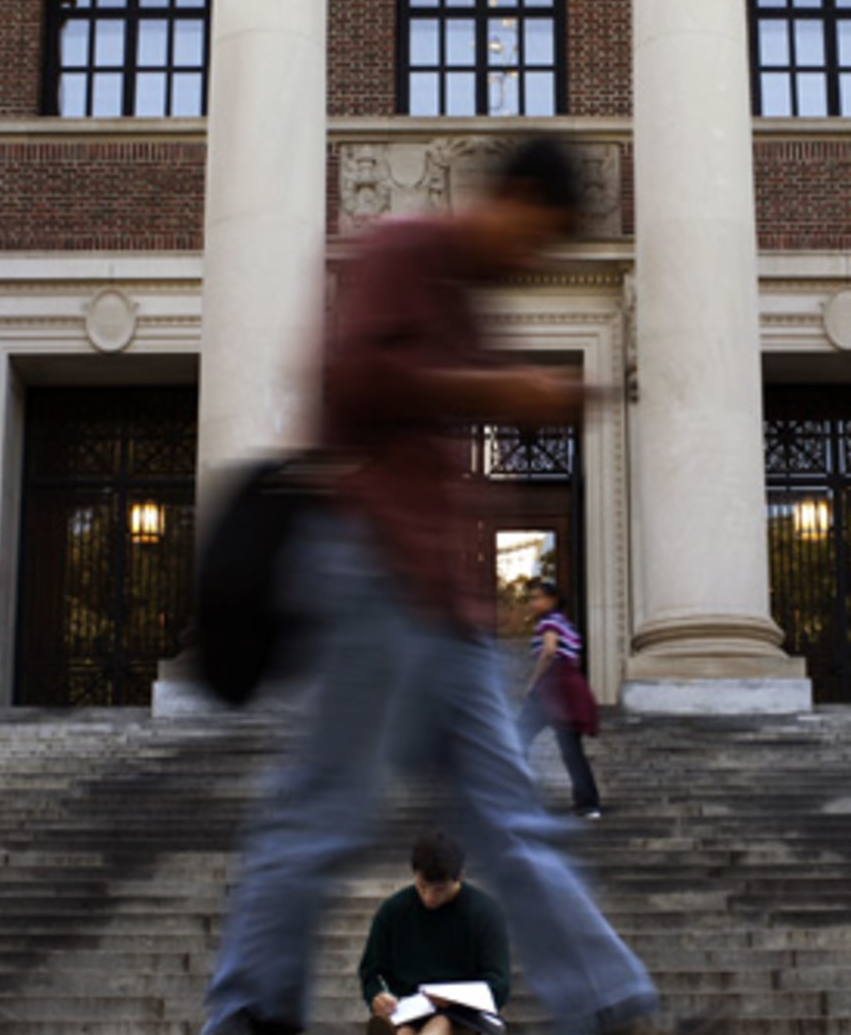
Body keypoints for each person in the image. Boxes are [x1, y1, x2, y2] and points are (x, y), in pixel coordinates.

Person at [202, 137, 694, 1035]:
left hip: (449, 608)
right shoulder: (405, 252)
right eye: (536, 237)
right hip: (369, 573)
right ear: (509, 200)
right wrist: (493, 388)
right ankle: (245, 1013)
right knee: (322, 816)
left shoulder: (467, 305)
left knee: (513, 821)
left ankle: (614, 1005)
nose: (532, 260)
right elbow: (343, 384)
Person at [359, 833, 510, 1035]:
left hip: (464, 1014)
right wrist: (376, 995)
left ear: (459, 877)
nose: (429, 897)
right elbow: (371, 971)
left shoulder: (484, 913)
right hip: (409, 1008)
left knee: (439, 1027)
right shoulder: (393, 911)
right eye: (422, 886)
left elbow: (499, 983)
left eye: (439, 889)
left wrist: (455, 999)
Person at [517, 581, 602, 818]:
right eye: (531, 598)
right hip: (570, 686)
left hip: (552, 685)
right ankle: (588, 804)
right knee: (571, 748)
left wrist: (533, 683)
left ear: (552, 600)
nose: (533, 603)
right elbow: (572, 658)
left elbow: (549, 652)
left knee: (517, 738)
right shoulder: (567, 624)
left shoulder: (549, 622)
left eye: (538, 598)